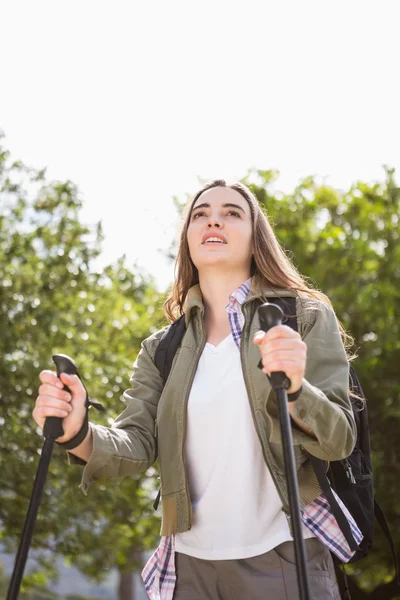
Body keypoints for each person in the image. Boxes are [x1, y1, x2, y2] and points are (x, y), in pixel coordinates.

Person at [33, 180, 360, 600]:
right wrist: (76, 431)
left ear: (256, 236)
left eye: (232, 212)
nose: (213, 219)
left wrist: (297, 389)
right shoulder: (162, 348)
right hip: (186, 569)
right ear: (188, 239)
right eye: (200, 214)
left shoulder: (303, 318)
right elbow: (136, 444)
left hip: (282, 554)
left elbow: (339, 441)